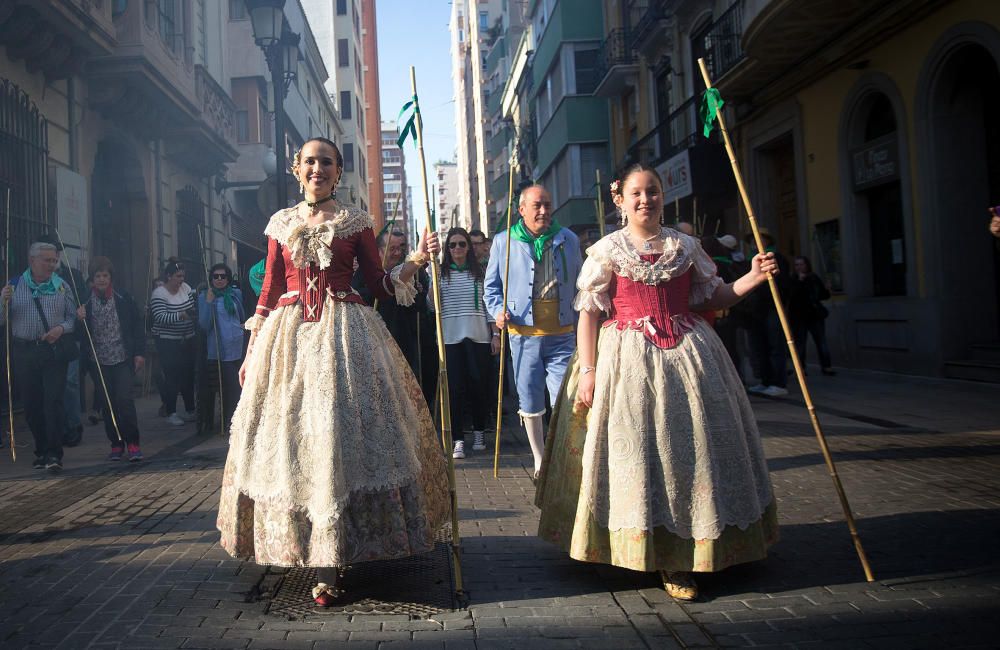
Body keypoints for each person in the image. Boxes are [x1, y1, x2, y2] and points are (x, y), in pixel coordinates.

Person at [216, 137, 450, 606]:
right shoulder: (281, 223)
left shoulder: (356, 222)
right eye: (310, 161)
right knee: (291, 442)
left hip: (346, 338)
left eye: (326, 161)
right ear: (297, 169)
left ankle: (335, 559)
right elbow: (268, 290)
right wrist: (252, 350)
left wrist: (417, 260)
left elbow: (379, 283)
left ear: (339, 171)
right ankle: (302, 546)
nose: (318, 168)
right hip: (289, 341)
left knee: (335, 441)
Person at [535, 164, 779, 602]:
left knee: (694, 452)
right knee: (643, 455)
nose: (645, 199)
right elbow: (589, 314)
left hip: (690, 358)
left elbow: (713, 296)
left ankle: (692, 549)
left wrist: (752, 278)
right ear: (621, 200)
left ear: (662, 196)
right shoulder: (607, 250)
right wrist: (588, 372)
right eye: (637, 193)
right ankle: (652, 549)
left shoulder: (685, 246)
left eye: (653, 192)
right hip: (625, 363)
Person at [484, 184, 582, 478]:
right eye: (537, 205)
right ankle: (539, 458)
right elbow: (490, 288)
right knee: (528, 397)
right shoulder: (504, 242)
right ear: (522, 209)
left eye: (548, 205)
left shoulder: (568, 239)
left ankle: (567, 455)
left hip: (563, 332)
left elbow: (581, 282)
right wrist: (497, 311)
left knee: (564, 396)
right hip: (523, 334)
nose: (543, 211)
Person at [0, 241, 77, 472]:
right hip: (25, 350)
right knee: (32, 405)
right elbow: (3, 320)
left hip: (53, 350)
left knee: (52, 402)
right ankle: (42, 450)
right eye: (46, 260)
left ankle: (55, 453)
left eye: (54, 260)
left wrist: (60, 329)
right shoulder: (14, 286)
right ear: (32, 261)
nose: (51, 265)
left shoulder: (61, 286)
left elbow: (73, 317)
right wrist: (3, 302)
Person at [434, 227, 497, 459]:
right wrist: (432, 288)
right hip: (450, 339)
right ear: (447, 249)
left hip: (479, 336)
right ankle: (457, 439)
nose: (457, 248)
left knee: (478, 386)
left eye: (462, 244)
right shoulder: (439, 273)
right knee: (454, 389)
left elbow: (490, 304)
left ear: (468, 247)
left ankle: (479, 432)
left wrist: (496, 335)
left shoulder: (480, 272)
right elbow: (433, 307)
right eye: (452, 245)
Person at [76, 257, 145, 461]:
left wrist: (139, 353)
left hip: (122, 357)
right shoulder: (85, 300)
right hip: (98, 360)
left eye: (105, 275)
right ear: (92, 278)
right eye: (98, 276)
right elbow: (80, 335)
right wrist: (79, 319)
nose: (101, 279)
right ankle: (116, 443)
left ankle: (133, 442)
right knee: (107, 404)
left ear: (111, 277)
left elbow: (136, 326)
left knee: (124, 400)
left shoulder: (123, 297)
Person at [197, 263, 245, 434]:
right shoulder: (205, 296)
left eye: (222, 276)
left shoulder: (235, 294)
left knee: (236, 387)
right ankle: (228, 422)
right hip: (219, 351)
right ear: (211, 279)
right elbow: (204, 324)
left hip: (237, 348)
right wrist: (209, 303)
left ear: (228, 278)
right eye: (215, 276)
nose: (219, 279)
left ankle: (235, 421)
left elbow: (241, 315)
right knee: (229, 388)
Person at [743, 229, 791, 397]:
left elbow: (784, 284)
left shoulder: (775, 259)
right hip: (756, 311)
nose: (755, 243)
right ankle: (765, 380)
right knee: (759, 346)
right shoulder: (749, 261)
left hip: (772, 308)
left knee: (775, 345)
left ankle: (779, 382)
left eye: (759, 239)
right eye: (752, 240)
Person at [150, 260, 197, 426]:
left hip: (187, 338)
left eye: (183, 276)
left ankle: (191, 409)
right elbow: (160, 318)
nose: (181, 279)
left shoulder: (186, 288)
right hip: (168, 342)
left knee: (188, 375)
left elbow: (194, 305)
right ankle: (171, 411)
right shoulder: (159, 294)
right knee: (172, 376)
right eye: (178, 276)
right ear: (169, 276)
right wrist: (181, 315)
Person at [789, 256, 834, 376]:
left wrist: (827, 289)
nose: (799, 267)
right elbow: (792, 297)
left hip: (814, 316)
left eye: (801, 264)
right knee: (800, 344)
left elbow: (822, 296)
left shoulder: (813, 278)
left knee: (821, 342)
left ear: (807, 265)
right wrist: (799, 281)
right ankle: (801, 369)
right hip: (799, 317)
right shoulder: (792, 279)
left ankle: (826, 366)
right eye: (797, 265)